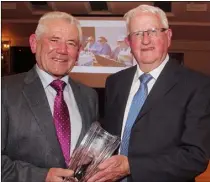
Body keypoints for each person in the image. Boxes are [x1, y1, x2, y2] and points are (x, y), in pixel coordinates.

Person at [88, 4, 210, 182]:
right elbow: (111, 135)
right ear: (129, 42)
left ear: (168, 36)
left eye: (152, 31)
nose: (145, 40)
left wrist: (131, 166)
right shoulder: (115, 82)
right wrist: (92, 153)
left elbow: (195, 157)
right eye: (137, 33)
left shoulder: (197, 85)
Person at [1, 11, 99, 182]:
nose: (62, 50)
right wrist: (42, 176)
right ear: (33, 43)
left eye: (71, 43)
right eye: (54, 40)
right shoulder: (5, 91)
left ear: (78, 52)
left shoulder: (89, 96)